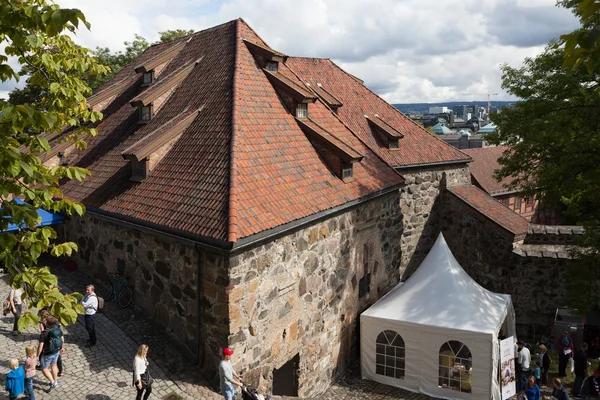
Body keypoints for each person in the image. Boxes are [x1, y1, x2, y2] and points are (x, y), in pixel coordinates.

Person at [37, 315, 64, 391]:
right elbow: (62, 339)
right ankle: (55, 381)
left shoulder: (44, 333)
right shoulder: (57, 329)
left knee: (44, 368)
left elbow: (40, 346)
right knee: (54, 365)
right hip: (56, 351)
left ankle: (52, 382)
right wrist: (62, 347)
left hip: (47, 353)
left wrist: (37, 355)